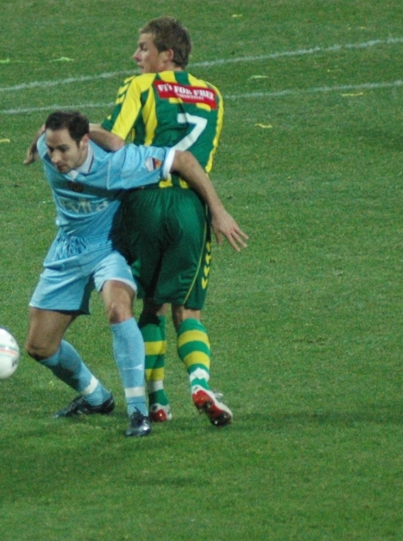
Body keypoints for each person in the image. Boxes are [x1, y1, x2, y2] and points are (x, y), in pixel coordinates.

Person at [25, 109, 243, 437]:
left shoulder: (119, 163)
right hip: (67, 249)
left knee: (118, 309)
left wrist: (218, 211)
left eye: (63, 149)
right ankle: (97, 398)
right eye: (50, 148)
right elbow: (48, 135)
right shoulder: (46, 147)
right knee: (39, 347)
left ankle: (139, 411)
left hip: (111, 250)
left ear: (84, 142)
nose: (54, 158)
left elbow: (182, 159)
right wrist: (38, 140)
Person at [88, 16, 248, 427]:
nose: (136, 56)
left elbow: (114, 141)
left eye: (143, 48)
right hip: (193, 208)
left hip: (145, 202)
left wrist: (78, 128)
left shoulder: (140, 86)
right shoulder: (213, 94)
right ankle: (198, 382)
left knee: (151, 307)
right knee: (188, 310)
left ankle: (157, 399)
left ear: (167, 55)